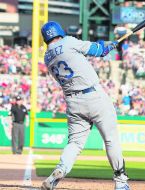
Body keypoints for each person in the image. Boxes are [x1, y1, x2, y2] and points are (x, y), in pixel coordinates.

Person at [40, 21, 130, 190]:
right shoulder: (68, 41)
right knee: (111, 139)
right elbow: (99, 50)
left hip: (73, 102)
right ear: (59, 31)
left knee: (74, 143)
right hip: (94, 96)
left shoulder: (47, 57)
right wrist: (107, 45)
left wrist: (105, 46)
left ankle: (61, 169)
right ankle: (121, 182)